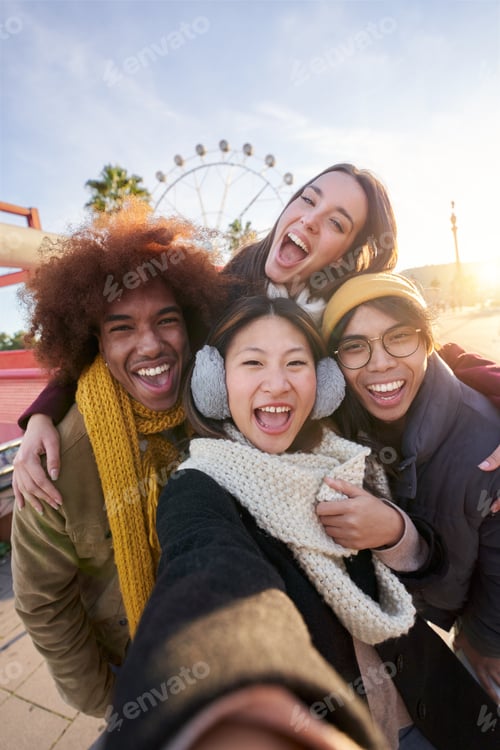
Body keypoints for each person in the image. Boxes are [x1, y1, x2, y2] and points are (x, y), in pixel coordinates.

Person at [103, 295, 498, 750]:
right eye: (253, 363)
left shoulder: (346, 454)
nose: (277, 384)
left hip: (430, 711)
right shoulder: (198, 490)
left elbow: (430, 565)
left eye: (296, 363)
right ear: (216, 381)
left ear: (323, 382)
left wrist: (394, 531)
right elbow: (205, 566)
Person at [12, 163, 500, 509]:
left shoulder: (345, 308)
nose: (311, 218)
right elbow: (127, 336)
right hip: (220, 484)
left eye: (336, 222)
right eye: (308, 199)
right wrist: (43, 413)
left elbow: (430, 348)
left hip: (326, 491)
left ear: (348, 252)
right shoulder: (221, 288)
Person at [10, 202, 228, 716]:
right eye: (122, 328)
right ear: (96, 345)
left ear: (190, 324)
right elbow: (43, 602)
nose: (150, 346)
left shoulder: (219, 408)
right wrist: (109, 702)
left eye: (166, 321)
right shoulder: (59, 457)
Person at [320, 272, 500, 704]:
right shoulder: (334, 432)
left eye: (399, 337)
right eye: (355, 346)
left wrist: (485, 642)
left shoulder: (487, 443)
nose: (379, 362)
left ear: (428, 341)